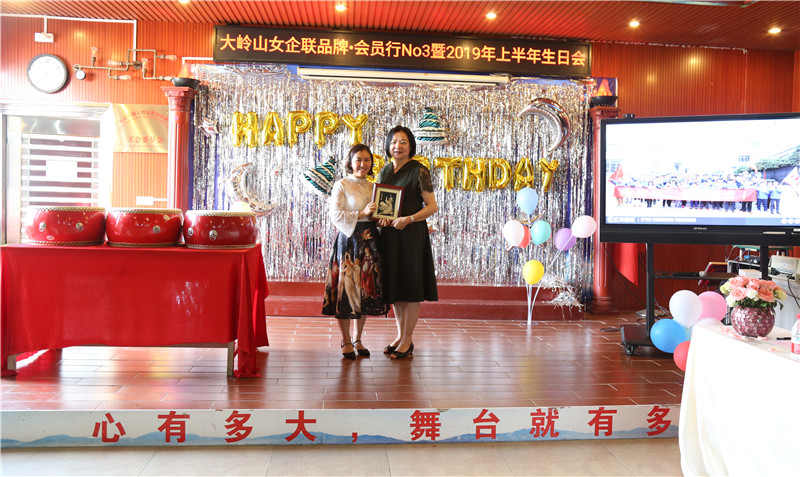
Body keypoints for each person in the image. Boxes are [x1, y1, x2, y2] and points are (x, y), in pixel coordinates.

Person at [377, 126, 439, 359]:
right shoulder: (384, 171)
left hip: (411, 236)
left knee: (410, 289)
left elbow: (432, 206)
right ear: (388, 145)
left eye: (403, 142)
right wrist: (382, 218)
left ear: (411, 145)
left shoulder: (420, 170)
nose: (398, 146)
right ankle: (400, 336)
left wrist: (409, 219)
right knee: (397, 288)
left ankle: (408, 339)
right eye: (394, 142)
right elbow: (382, 206)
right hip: (390, 237)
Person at [322, 144, 389, 359]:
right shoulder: (341, 185)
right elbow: (335, 215)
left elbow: (379, 216)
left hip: (370, 242)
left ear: (371, 163)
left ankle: (358, 339)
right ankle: (345, 340)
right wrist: (362, 212)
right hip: (348, 241)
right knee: (346, 292)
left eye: (366, 160)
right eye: (358, 159)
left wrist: (382, 219)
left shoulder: (375, 187)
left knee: (365, 292)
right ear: (350, 162)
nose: (362, 164)